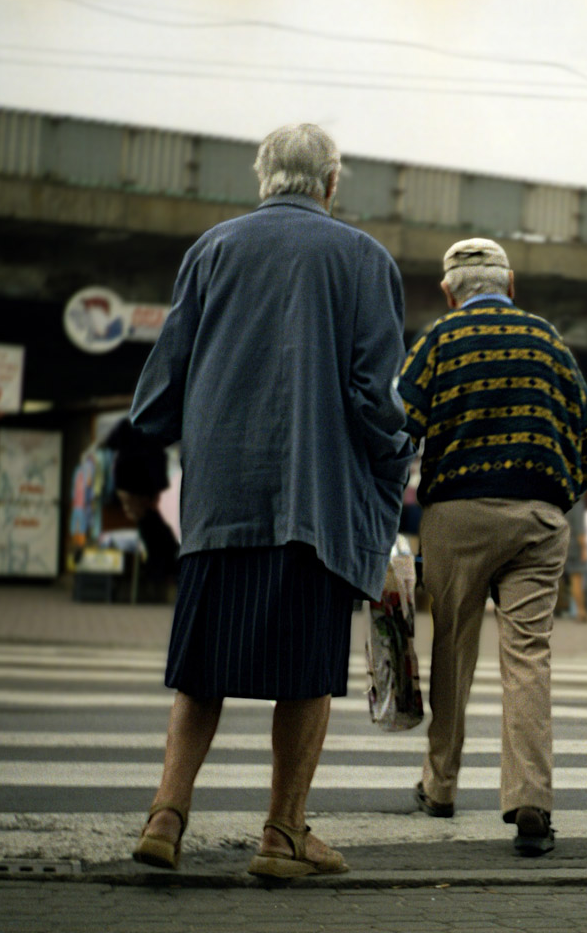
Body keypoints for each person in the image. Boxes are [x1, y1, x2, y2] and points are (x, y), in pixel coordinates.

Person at [128, 122, 414, 879]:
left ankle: (166, 815)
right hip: (315, 511)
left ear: (263, 179)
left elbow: (160, 388)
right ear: (330, 184)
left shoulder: (210, 251)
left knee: (202, 673)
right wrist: (397, 465)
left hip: (220, 505)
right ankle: (283, 834)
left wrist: (146, 448)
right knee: (307, 676)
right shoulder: (363, 260)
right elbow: (376, 397)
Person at [400, 236, 587, 858]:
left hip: (456, 514)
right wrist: (554, 496)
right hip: (538, 517)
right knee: (528, 658)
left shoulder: (437, 340)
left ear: (447, 291)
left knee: (453, 649)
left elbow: (400, 426)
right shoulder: (549, 340)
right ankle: (530, 799)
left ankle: (441, 786)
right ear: (511, 285)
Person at [104, 418, 179, 603]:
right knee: (152, 527)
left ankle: (158, 569)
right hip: (142, 488)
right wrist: (157, 488)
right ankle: (160, 570)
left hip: (127, 484)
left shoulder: (127, 424)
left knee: (149, 526)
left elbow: (110, 443)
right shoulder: (154, 429)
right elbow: (157, 458)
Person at [562, 498, 586, 620]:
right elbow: (579, 529)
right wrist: (584, 549)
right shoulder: (578, 505)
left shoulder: (563, 501)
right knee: (577, 580)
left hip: (562, 544)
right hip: (575, 547)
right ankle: (581, 611)